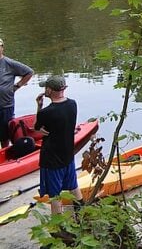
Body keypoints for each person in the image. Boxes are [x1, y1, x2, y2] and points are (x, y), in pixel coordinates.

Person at [35, 75, 82, 215]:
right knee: (74, 187)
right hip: (68, 155)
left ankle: (59, 228)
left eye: (45, 88)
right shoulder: (73, 104)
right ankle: (83, 217)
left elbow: (37, 127)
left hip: (52, 159)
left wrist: (39, 106)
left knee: (54, 195)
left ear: (49, 90)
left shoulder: (46, 112)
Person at [0, 38, 34, 148]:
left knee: (5, 135)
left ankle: (5, 157)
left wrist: (17, 86)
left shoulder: (9, 63)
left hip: (5, 106)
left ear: (2, 48)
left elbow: (29, 72)